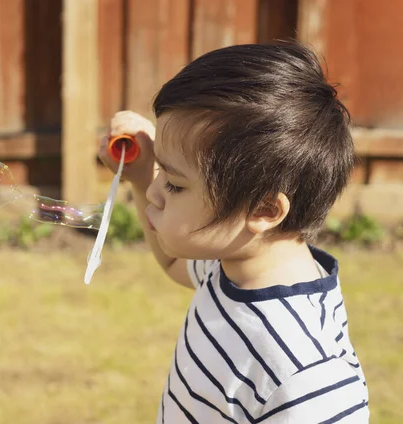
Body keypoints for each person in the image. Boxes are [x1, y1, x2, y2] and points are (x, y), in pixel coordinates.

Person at [98, 41, 369, 423]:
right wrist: (143, 176)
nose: (155, 193)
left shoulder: (308, 378)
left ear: (263, 209)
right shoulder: (238, 262)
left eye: (174, 184)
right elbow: (174, 262)